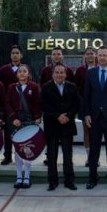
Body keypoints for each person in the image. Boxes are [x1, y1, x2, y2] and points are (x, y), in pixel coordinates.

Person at [82, 46, 107, 190]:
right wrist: (86, 114)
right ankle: (92, 178)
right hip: (94, 118)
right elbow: (86, 95)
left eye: (105, 55)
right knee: (94, 150)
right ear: (96, 57)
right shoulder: (90, 73)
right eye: (100, 55)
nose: (102, 57)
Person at [42, 63, 78, 191]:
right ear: (52, 74)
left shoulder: (72, 86)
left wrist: (68, 116)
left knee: (68, 155)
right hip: (52, 125)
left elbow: (76, 104)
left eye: (62, 72)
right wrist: (57, 116)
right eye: (56, 72)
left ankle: (69, 181)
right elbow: (44, 105)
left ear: (66, 74)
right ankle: (52, 181)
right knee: (52, 156)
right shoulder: (46, 87)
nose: (59, 75)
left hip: (67, 125)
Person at [6, 65, 42, 189]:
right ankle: (18, 176)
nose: (22, 73)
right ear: (17, 75)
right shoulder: (11, 87)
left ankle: (26, 176)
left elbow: (37, 103)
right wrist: (13, 118)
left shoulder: (34, 87)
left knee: (27, 148)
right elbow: (7, 103)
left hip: (29, 120)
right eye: (20, 71)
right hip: (16, 121)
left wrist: (37, 117)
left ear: (28, 73)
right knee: (17, 148)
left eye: (24, 71)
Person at [0, 44, 24, 166]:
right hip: (7, 105)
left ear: (21, 55)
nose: (15, 55)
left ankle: (21, 155)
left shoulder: (25, 69)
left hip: (22, 106)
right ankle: (7, 156)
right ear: (10, 55)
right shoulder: (3, 70)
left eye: (17, 53)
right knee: (7, 133)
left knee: (21, 132)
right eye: (13, 53)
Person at [74, 47, 98, 151]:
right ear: (85, 56)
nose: (90, 56)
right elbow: (76, 87)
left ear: (95, 55)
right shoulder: (80, 70)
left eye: (91, 53)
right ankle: (89, 155)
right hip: (84, 105)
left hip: (98, 104)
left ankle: (95, 154)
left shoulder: (100, 68)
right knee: (87, 130)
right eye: (87, 54)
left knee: (97, 131)